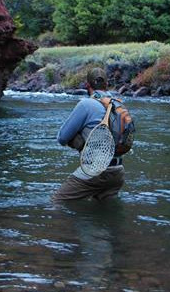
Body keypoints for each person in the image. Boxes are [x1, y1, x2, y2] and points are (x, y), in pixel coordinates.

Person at [53, 67, 125, 202]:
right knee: (105, 213)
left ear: (87, 85)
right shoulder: (118, 105)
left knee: (58, 203)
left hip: (95, 171)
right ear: (106, 84)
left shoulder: (86, 104)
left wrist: (77, 139)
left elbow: (62, 138)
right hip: (117, 171)